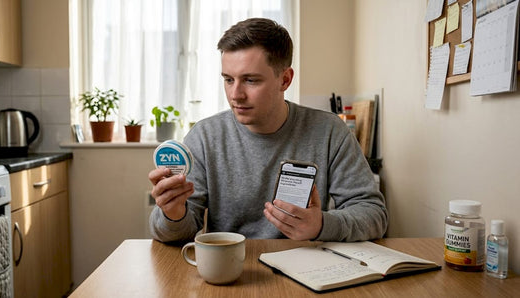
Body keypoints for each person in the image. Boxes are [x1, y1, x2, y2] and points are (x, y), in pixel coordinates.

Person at [149, 17, 388, 243]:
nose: (235, 95)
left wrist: (322, 225)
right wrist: (173, 214)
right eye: (228, 79)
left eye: (251, 80)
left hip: (306, 272)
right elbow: (175, 233)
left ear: (285, 80)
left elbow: (374, 214)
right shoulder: (204, 137)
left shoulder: (330, 132)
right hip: (231, 272)